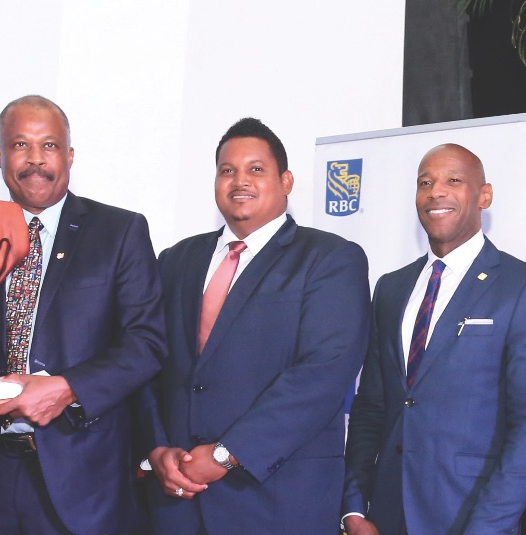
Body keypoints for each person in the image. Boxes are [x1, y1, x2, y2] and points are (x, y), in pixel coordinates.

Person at [0, 95, 166, 535]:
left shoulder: (119, 231)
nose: (36, 160)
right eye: (20, 146)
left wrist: (67, 389)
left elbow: (146, 343)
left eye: (49, 146)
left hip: (84, 478)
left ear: (69, 155)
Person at [136, 117, 371, 534]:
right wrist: (155, 448)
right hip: (177, 501)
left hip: (275, 500)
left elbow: (323, 375)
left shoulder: (330, 259)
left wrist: (227, 454)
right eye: (227, 170)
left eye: (255, 169)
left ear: (286, 180)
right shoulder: (176, 261)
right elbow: (146, 360)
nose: (239, 180)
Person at [342, 143, 526, 535]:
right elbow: (371, 406)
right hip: (386, 518)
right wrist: (355, 509)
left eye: (453, 180)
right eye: (424, 182)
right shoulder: (391, 288)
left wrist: (487, 528)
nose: (435, 191)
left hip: (471, 516)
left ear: (485, 195)